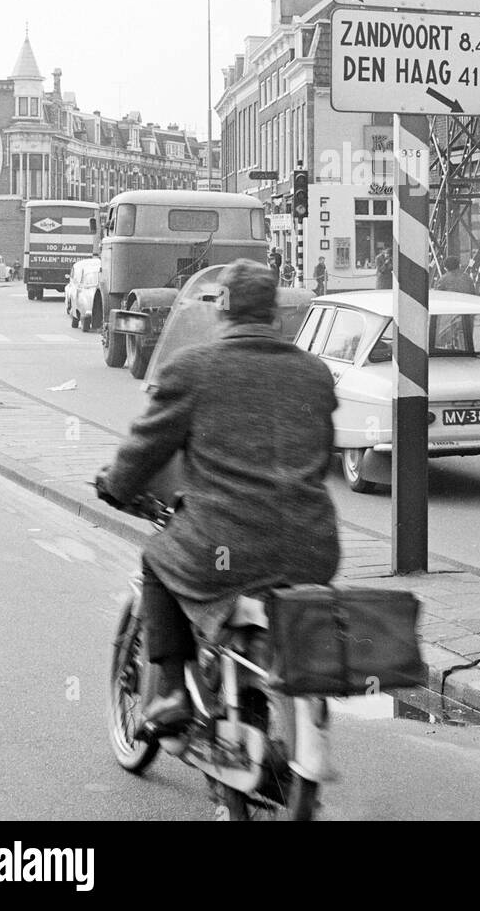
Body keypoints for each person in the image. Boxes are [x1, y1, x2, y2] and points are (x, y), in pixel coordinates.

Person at [95, 260, 339, 736]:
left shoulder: (193, 369)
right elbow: (320, 455)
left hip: (225, 550)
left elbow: (145, 449)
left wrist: (116, 485)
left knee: (157, 559)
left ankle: (168, 690)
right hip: (313, 548)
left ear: (221, 312)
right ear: (274, 314)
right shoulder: (315, 373)